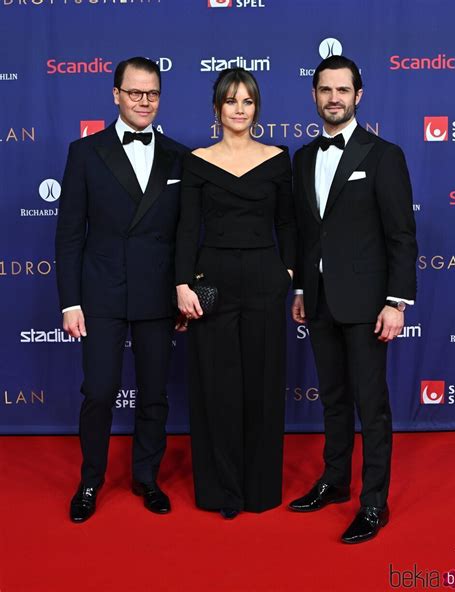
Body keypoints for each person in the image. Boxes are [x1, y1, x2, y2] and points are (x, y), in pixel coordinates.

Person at [288, 56, 417, 543]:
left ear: (358, 95)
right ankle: (336, 481)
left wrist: (396, 302)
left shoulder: (383, 155)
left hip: (368, 304)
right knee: (334, 400)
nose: (334, 98)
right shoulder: (302, 158)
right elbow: (306, 234)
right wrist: (301, 288)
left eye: (343, 89)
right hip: (319, 301)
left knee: (371, 405)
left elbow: (402, 235)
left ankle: (374, 503)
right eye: (325, 90)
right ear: (315, 95)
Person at [55, 56, 187, 523]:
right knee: (99, 390)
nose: (144, 102)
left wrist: (185, 292)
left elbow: (185, 234)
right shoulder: (84, 154)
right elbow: (70, 234)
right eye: (135, 93)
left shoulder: (178, 155)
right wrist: (70, 301)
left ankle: (146, 477)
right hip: (101, 293)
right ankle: (90, 480)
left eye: (151, 93)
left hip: (156, 292)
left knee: (154, 393)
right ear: (116, 95)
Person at [175, 68, 296, 519]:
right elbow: (187, 226)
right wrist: (183, 283)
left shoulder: (279, 159)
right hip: (212, 281)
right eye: (231, 101)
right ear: (217, 108)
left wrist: (286, 271)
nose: (240, 109)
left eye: (247, 101)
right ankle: (221, 491)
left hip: (266, 277)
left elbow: (287, 222)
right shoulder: (197, 160)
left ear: (256, 108)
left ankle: (260, 489)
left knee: (263, 385)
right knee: (215, 385)